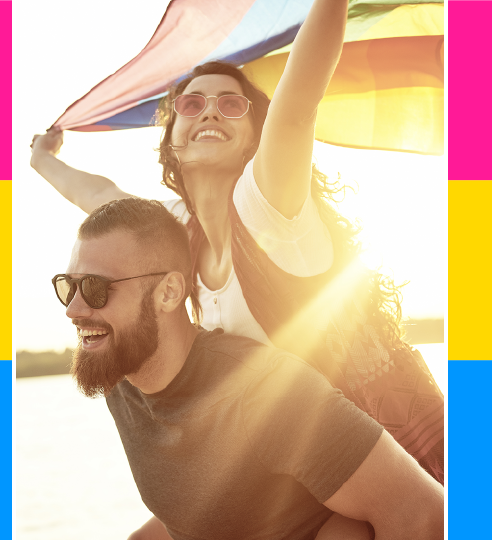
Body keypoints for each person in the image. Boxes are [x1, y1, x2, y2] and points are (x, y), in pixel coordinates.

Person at [32, 0, 443, 517]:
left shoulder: (267, 205)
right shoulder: (179, 230)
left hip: (400, 455)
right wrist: (43, 159)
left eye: (232, 105)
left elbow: (298, 103)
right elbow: (99, 196)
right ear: (172, 139)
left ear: (256, 136)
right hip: (319, 477)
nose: (209, 111)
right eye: (191, 104)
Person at [56, 197, 444, 540]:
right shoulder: (120, 381)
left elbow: (425, 514)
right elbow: (206, 511)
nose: (73, 309)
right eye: (66, 286)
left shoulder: (263, 392)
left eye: (94, 288)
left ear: (170, 293)